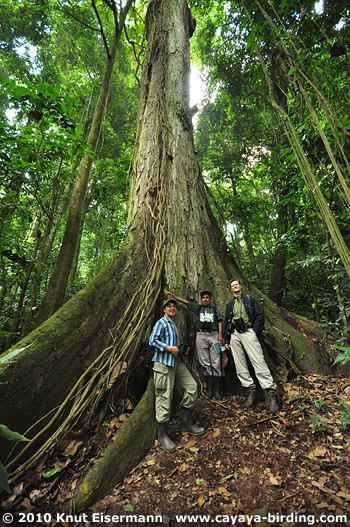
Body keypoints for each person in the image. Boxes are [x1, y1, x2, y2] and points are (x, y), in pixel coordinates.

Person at [149, 298, 205, 452]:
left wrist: (182, 350)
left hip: (177, 362)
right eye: (169, 306)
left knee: (192, 386)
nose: (172, 308)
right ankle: (162, 435)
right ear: (164, 309)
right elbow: (152, 340)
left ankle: (186, 424)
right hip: (164, 364)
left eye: (174, 306)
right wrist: (168, 348)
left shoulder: (175, 324)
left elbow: (177, 344)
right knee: (164, 397)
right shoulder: (161, 323)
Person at [224, 279, 279, 413]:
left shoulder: (250, 299)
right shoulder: (229, 304)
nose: (234, 286)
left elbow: (260, 315)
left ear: (240, 286)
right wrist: (227, 339)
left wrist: (254, 331)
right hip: (235, 335)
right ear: (231, 289)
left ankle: (271, 393)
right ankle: (251, 390)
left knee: (258, 360)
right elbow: (226, 321)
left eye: (236, 284)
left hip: (248, 331)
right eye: (232, 286)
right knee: (239, 364)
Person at [166, 290, 225, 401]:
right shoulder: (199, 308)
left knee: (216, 362)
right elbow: (186, 302)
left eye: (207, 297)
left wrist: (220, 335)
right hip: (201, 335)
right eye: (203, 298)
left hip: (214, 335)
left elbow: (220, 322)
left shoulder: (214, 310)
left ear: (210, 299)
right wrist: (173, 296)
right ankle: (210, 390)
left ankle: (217, 391)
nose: (205, 299)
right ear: (201, 300)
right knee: (205, 362)